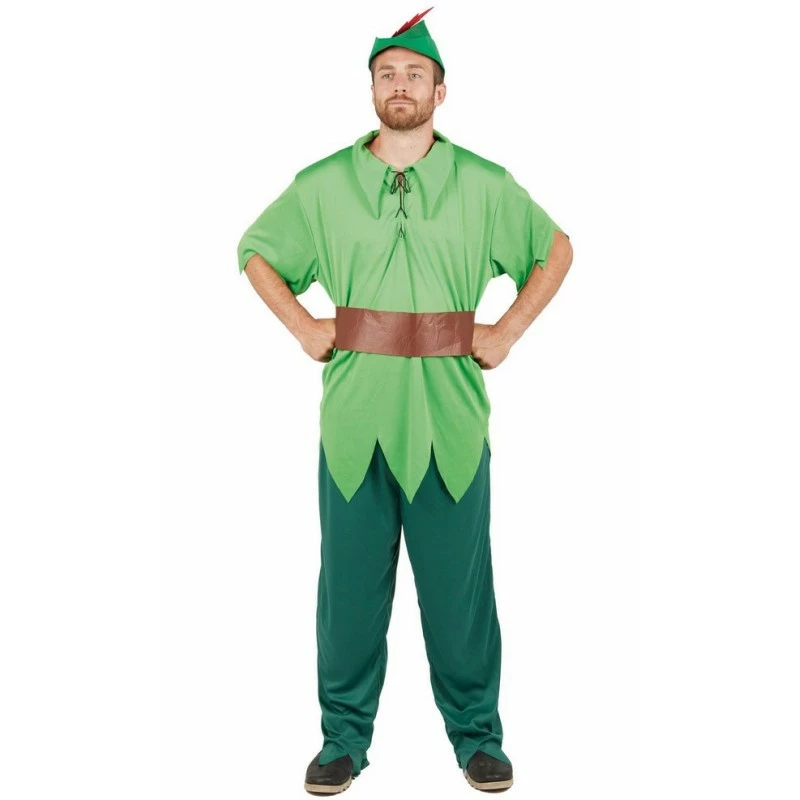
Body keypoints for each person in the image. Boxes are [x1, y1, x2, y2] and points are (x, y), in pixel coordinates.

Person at [236, 7, 573, 794]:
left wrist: (508, 331)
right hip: (355, 421)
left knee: (460, 597)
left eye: (414, 74)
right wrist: (303, 326)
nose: (400, 85)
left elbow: (554, 249)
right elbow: (255, 250)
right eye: (387, 74)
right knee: (348, 595)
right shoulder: (322, 186)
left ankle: (478, 737)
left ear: (439, 91)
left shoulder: (484, 184)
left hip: (450, 420)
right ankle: (342, 740)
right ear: (371, 89)